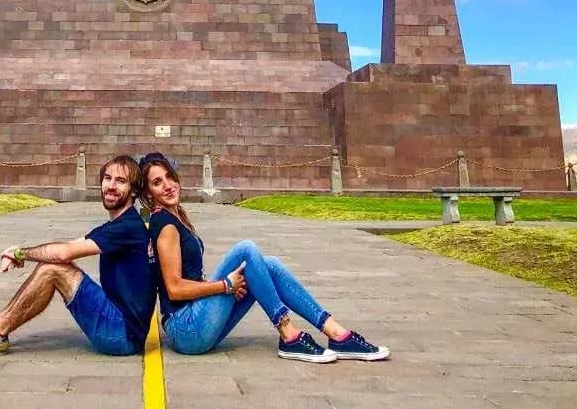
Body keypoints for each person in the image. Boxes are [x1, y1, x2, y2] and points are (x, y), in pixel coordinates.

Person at [141, 152, 390, 364]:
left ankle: (336, 332)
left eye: (170, 177)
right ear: (149, 193)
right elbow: (173, 289)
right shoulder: (166, 226)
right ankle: (288, 334)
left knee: (267, 264)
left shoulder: (176, 217)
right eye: (157, 182)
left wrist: (225, 289)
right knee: (246, 251)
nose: (168, 185)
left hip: (194, 322)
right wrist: (225, 286)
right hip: (185, 329)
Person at [0, 154, 155, 357]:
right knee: (51, 263)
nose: (111, 186)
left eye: (120, 181)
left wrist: (21, 253)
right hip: (120, 327)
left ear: (134, 191)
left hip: (122, 335)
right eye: (107, 178)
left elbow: (63, 253)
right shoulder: (120, 224)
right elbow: (72, 244)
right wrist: (24, 254)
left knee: (53, 268)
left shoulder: (127, 227)